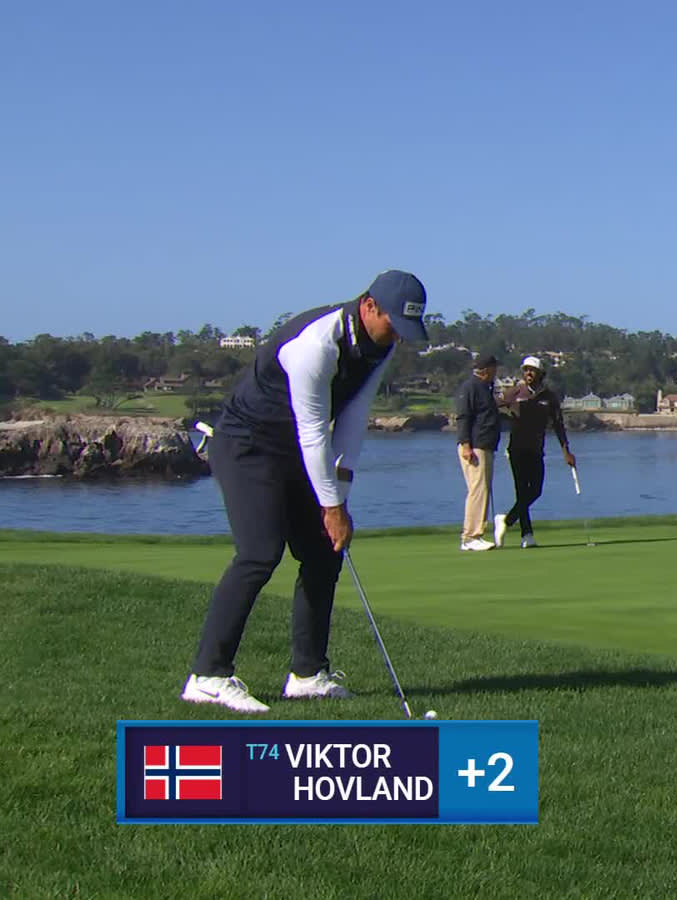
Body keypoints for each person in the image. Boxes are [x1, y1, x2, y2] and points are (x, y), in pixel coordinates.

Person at [183, 269, 428, 713]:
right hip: (246, 444)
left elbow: (353, 416)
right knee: (259, 553)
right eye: (394, 323)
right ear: (369, 306)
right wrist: (331, 505)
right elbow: (315, 432)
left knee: (321, 553)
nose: (398, 337)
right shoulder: (316, 345)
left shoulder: (381, 345)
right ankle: (208, 675)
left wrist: (343, 487)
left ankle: (308, 674)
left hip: (291, 447)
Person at [493, 356, 576, 548]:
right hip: (516, 449)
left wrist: (566, 451)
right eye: (525, 370)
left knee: (536, 490)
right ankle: (527, 534)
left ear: (540, 373)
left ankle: (505, 520)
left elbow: (558, 425)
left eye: (532, 370)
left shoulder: (549, 397)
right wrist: (508, 415)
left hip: (537, 449)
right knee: (522, 492)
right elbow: (494, 406)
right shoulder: (516, 392)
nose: (528, 373)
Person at [454, 352, 502, 551]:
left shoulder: (486, 388)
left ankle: (477, 534)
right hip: (474, 446)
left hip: (486, 445)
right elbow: (464, 417)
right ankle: (470, 536)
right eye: (494, 368)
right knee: (478, 490)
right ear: (486, 369)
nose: (496, 372)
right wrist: (466, 444)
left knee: (483, 489)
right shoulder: (471, 387)